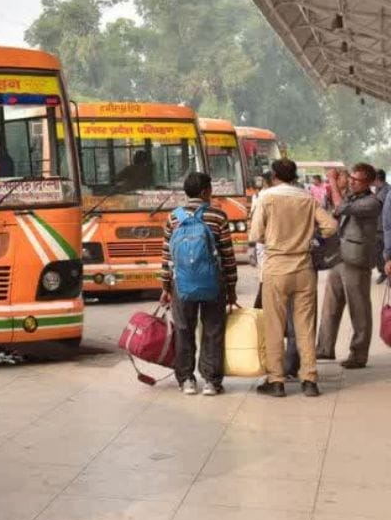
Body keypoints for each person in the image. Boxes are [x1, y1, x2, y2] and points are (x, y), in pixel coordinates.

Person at [249, 158, 338, 397]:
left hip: (276, 268)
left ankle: (276, 380)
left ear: (274, 176)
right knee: (304, 327)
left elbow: (255, 234)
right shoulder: (307, 198)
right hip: (304, 268)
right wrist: (310, 236)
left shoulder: (266, 198)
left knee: (274, 326)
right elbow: (331, 226)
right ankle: (309, 380)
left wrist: (273, 239)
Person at [160, 172, 238, 396]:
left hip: (181, 284)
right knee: (213, 330)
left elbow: (167, 256)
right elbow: (228, 255)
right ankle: (211, 381)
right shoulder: (218, 216)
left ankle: (186, 379)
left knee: (184, 329)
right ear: (205, 191)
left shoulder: (173, 218)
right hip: (213, 283)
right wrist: (231, 287)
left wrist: (166, 287)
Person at [318, 162, 384, 369]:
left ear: (369, 182)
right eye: (352, 178)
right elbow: (335, 211)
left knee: (359, 308)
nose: (352, 182)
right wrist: (337, 186)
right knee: (330, 306)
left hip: (356, 260)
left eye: (357, 180)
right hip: (339, 256)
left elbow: (341, 208)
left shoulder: (372, 202)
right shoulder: (351, 196)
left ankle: (358, 353)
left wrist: (332, 182)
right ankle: (324, 347)